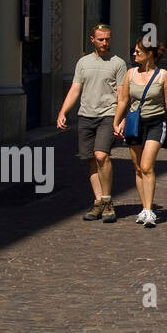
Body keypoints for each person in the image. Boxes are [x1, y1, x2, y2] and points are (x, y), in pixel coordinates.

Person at [56, 24, 128, 223]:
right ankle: (98, 202)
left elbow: (122, 94)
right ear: (92, 40)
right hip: (86, 115)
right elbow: (75, 89)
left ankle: (107, 201)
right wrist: (63, 111)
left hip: (107, 115)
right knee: (90, 159)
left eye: (108, 39)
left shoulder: (118, 63)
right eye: (101, 39)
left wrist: (121, 119)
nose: (105, 43)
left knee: (101, 155)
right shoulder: (83, 62)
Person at [112, 36, 167, 228]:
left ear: (149, 55)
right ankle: (144, 208)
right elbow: (123, 100)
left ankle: (149, 211)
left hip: (156, 123)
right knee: (138, 168)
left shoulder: (163, 75)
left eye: (138, 52)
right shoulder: (130, 74)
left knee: (147, 166)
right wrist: (117, 122)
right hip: (135, 124)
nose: (134, 54)